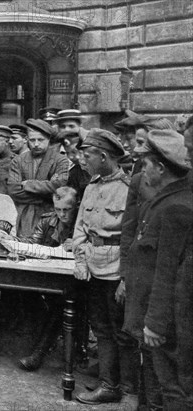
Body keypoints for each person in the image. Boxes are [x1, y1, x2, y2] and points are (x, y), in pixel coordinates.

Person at [122, 130, 193, 410]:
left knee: (172, 390)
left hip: (165, 322)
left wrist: (155, 322)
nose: (143, 171)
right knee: (155, 385)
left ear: (161, 168)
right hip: (156, 316)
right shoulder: (167, 200)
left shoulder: (177, 208)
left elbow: (168, 272)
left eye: (146, 164)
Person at [72, 129, 139, 405]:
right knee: (100, 328)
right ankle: (109, 382)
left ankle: (127, 389)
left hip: (117, 267)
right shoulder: (91, 186)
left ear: (103, 156)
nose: (82, 161)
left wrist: (126, 277)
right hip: (92, 264)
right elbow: (80, 229)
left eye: (87, 156)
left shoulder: (129, 189)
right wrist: (80, 259)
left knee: (123, 332)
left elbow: (134, 237)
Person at [15, 186, 79, 371]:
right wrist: (13, 242)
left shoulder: (83, 223)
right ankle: (38, 345)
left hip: (75, 280)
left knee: (60, 305)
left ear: (76, 206)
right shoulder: (48, 220)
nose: (62, 214)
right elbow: (33, 243)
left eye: (67, 210)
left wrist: (78, 244)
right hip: (48, 276)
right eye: (58, 209)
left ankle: (39, 353)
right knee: (24, 293)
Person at [8, 118, 70, 237]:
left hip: (51, 217)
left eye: (41, 140)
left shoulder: (60, 160)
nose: (36, 144)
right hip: (25, 216)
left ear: (48, 140)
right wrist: (46, 194)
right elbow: (13, 190)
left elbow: (60, 187)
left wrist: (28, 185)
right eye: (32, 140)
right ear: (27, 140)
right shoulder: (18, 160)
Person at [60, 130, 91, 200]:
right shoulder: (74, 173)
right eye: (67, 153)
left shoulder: (102, 167)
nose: (70, 157)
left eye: (74, 152)